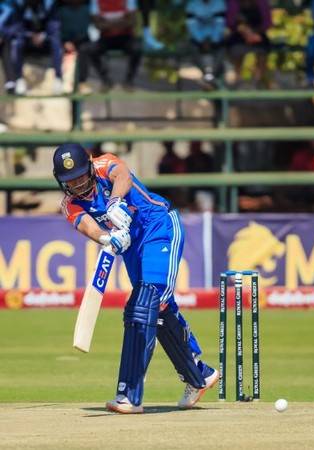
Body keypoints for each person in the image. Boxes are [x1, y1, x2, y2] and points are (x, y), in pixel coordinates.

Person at [52, 143, 219, 414]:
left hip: (159, 228)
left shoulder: (105, 166)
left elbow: (123, 175)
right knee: (158, 309)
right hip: (131, 248)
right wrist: (107, 238)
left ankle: (129, 396)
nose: (78, 185)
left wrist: (116, 202)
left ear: (90, 167)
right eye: (70, 181)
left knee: (142, 307)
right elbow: (87, 225)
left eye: (81, 176)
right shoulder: (70, 205)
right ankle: (199, 374)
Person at [9, 0, 64, 95]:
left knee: (56, 41)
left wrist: (43, 36)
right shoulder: (19, 5)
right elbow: (17, 28)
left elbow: (54, 27)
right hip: (27, 40)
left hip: (44, 40)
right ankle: (18, 79)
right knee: (16, 43)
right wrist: (30, 35)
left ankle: (58, 79)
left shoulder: (49, 4)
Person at [86, 0, 142, 91]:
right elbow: (97, 24)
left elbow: (132, 21)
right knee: (91, 49)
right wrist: (121, 22)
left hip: (126, 37)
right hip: (106, 38)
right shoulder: (96, 2)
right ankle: (106, 80)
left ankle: (129, 81)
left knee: (137, 48)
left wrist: (108, 24)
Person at [225, 0, 271, 85]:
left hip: (258, 34)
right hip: (238, 36)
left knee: (263, 51)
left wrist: (254, 33)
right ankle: (237, 79)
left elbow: (267, 23)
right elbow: (230, 22)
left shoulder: (262, 2)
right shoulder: (233, 3)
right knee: (237, 51)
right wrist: (244, 32)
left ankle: (258, 80)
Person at [185, 0, 227, 86]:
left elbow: (220, 24)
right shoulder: (192, 4)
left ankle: (210, 78)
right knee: (193, 49)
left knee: (222, 49)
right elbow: (192, 25)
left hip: (215, 39)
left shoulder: (219, 3)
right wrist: (201, 40)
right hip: (198, 40)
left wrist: (213, 40)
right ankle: (209, 77)